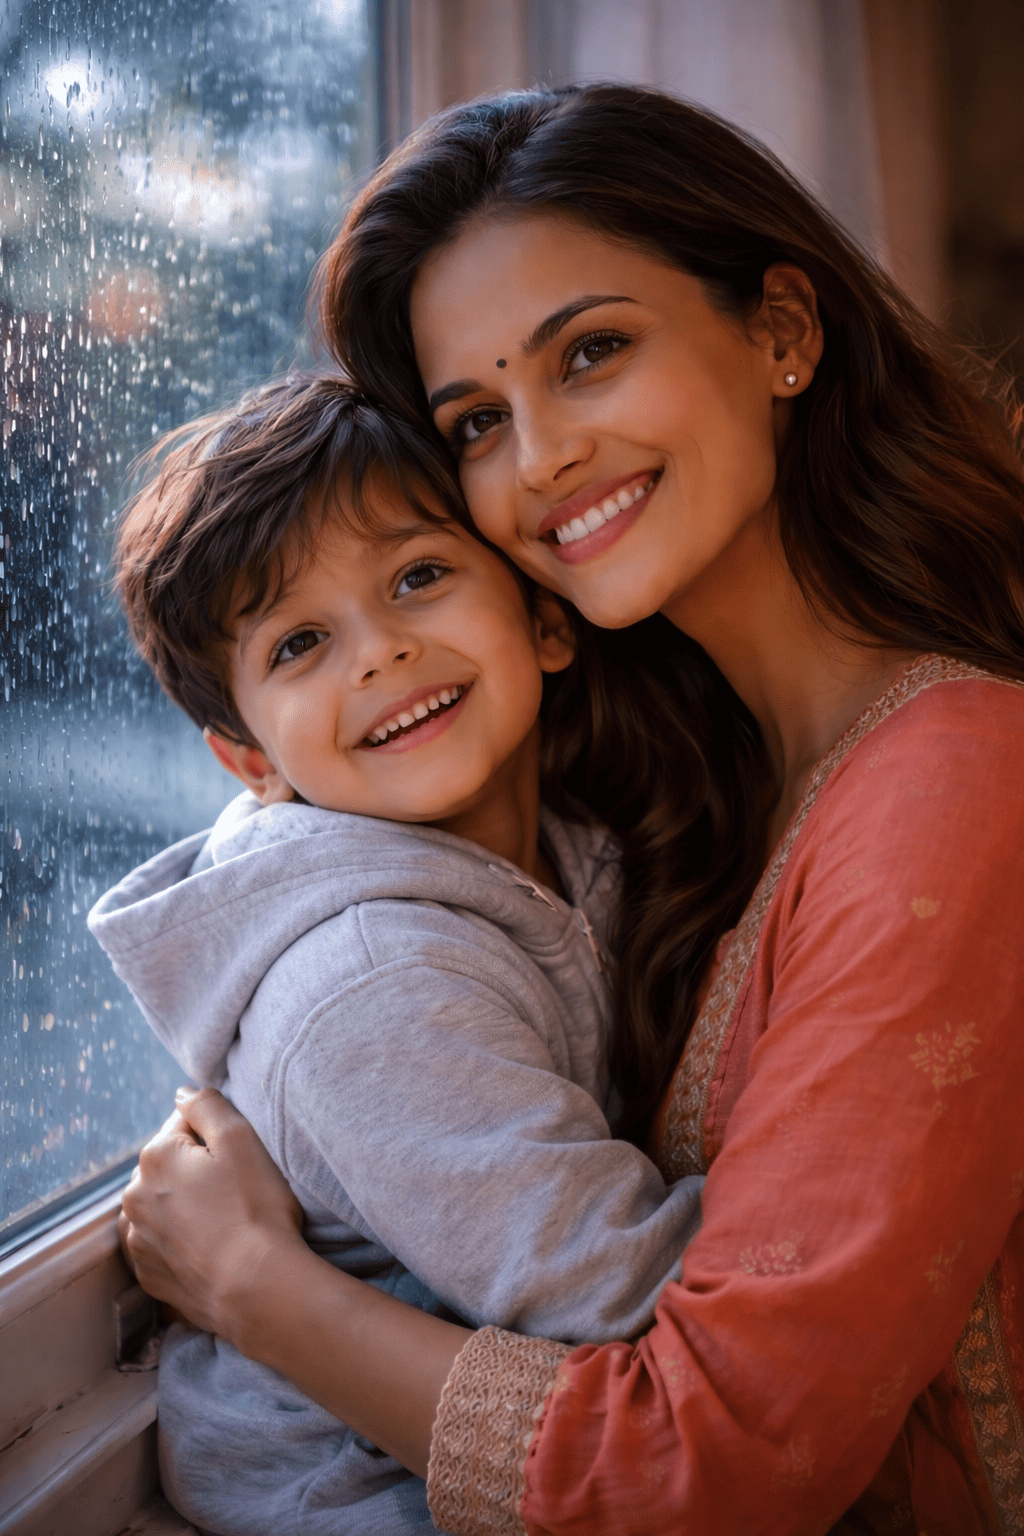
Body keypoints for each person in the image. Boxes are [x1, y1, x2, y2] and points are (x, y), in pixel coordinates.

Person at [119, 85, 1024, 1535]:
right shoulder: (674, 789)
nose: (537, 461)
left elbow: (712, 1460)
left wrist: (258, 1292)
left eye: (591, 351)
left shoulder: (954, 783)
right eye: (478, 421)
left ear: (782, 331)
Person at [91, 372, 712, 1535]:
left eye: (418, 577)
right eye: (301, 643)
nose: (379, 654)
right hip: (361, 1490)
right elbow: (628, 1296)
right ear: (250, 759)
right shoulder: (372, 983)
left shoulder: (574, 845)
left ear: (544, 618)